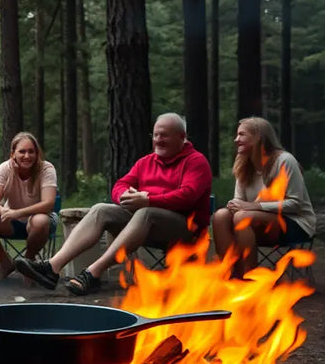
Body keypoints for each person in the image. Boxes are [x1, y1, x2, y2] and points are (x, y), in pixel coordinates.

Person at [16, 113, 212, 295]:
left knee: (146, 212)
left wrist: (148, 199)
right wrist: (125, 197)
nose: (158, 140)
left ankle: (93, 273)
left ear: (182, 136)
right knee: (101, 210)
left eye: (165, 136)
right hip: (144, 227)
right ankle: (53, 267)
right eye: (156, 135)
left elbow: (188, 196)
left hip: (186, 229)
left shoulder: (196, 161)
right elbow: (120, 184)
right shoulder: (146, 162)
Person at [211, 117, 315, 276]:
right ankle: (232, 275)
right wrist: (234, 204)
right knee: (220, 216)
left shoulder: (284, 161)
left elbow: (295, 204)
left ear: (258, 136)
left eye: (242, 135)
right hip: (254, 222)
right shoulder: (243, 163)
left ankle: (250, 277)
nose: (236, 139)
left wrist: (254, 206)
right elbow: (240, 199)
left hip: (295, 223)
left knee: (242, 217)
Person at [0, 132, 58, 280]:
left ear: (37, 153)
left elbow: (48, 204)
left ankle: (28, 265)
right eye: (22, 151)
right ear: (13, 154)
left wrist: (18, 212)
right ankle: (6, 263)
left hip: (41, 221)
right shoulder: (5, 168)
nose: (27, 156)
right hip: (11, 220)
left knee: (40, 221)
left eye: (31, 151)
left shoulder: (46, 169)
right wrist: (4, 211)